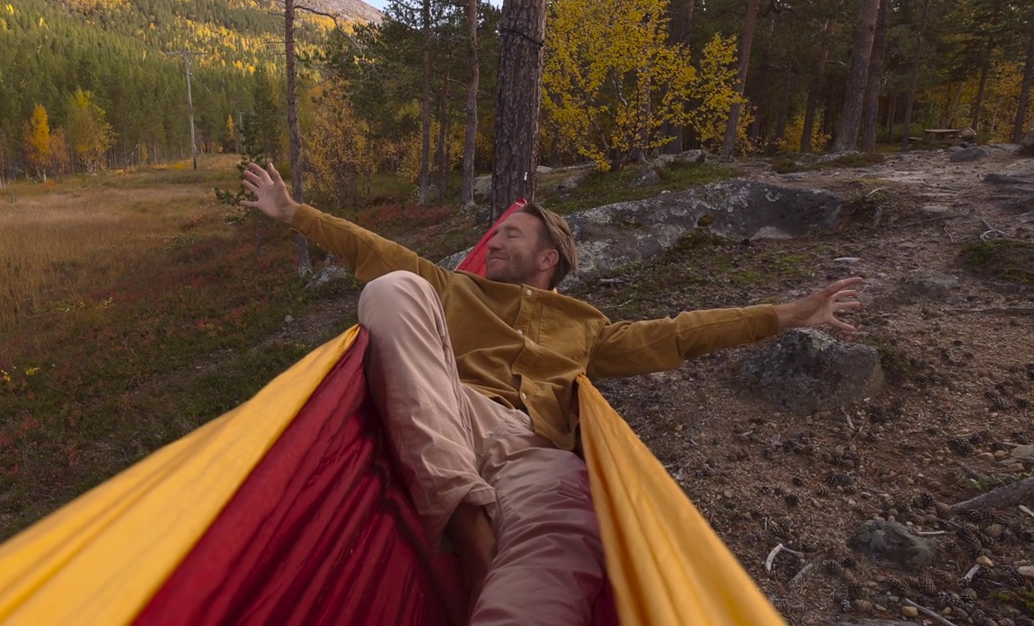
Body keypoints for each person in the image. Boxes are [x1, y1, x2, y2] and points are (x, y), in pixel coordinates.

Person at [239, 162, 862, 626]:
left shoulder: (588, 328)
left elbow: (678, 336)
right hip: (447, 408)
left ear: (548, 258)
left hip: (532, 450)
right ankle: (462, 512)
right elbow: (370, 250)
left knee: (568, 521)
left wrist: (785, 315)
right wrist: (294, 213)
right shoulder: (457, 289)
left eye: (511, 234)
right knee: (394, 285)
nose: (495, 243)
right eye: (496, 234)